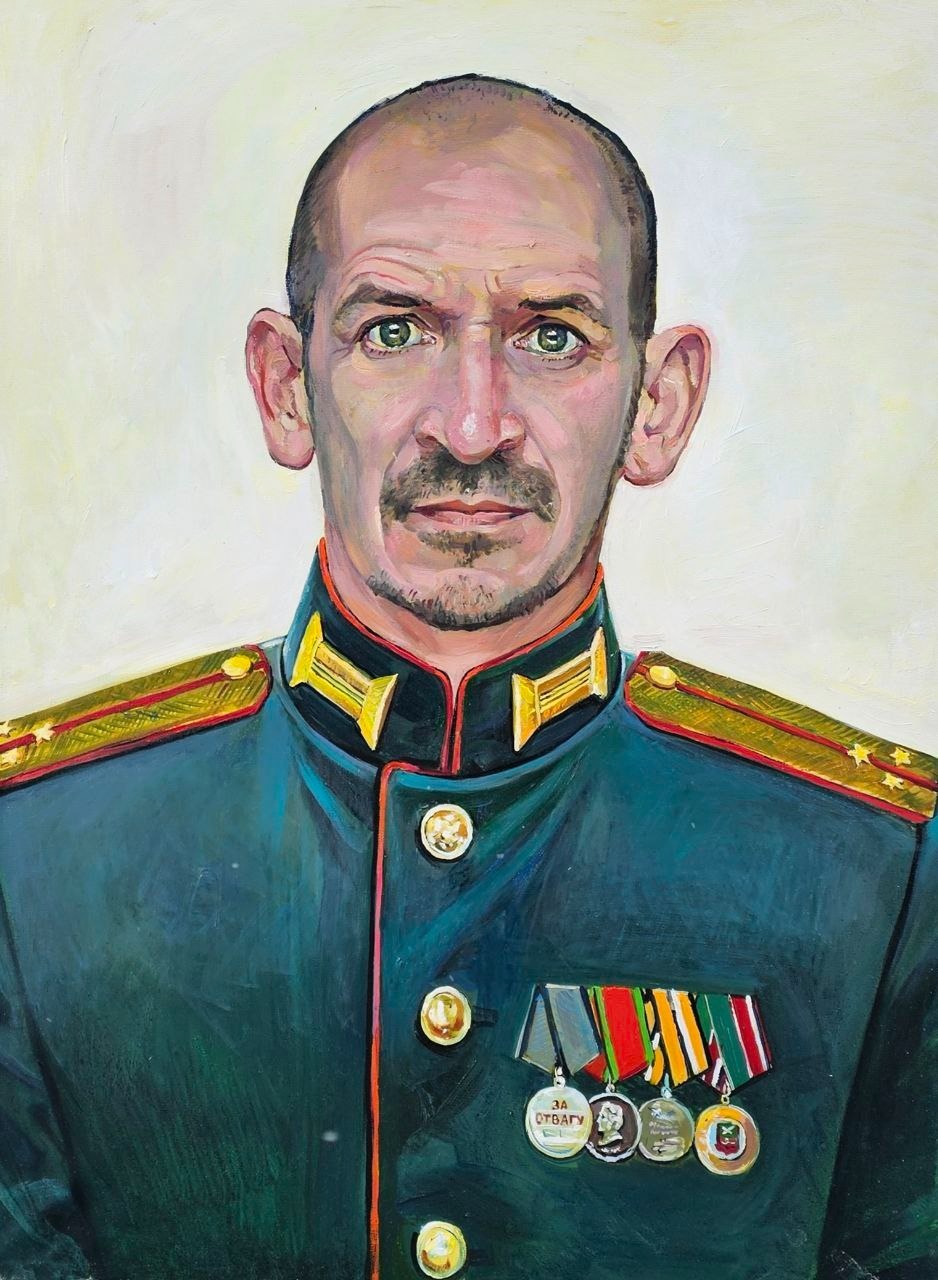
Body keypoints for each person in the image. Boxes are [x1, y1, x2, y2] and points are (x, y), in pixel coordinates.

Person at [1, 73, 935, 1280]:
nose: (473, 426)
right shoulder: (35, 860)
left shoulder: (877, 874)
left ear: (658, 403)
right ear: (284, 386)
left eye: (551, 336)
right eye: (394, 330)